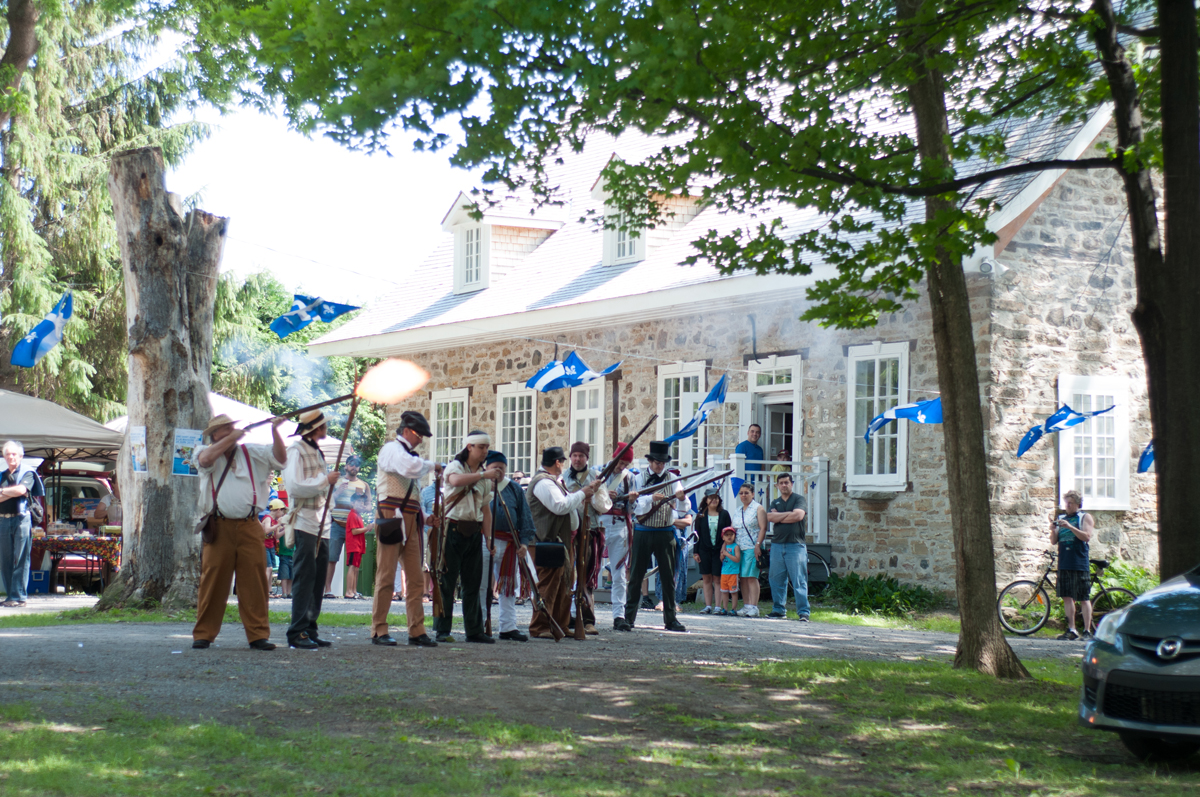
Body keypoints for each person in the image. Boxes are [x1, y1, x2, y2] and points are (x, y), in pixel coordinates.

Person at [192, 414, 288, 650]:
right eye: (225, 429)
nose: (231, 432)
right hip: (219, 526)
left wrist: (276, 432)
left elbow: (280, 459)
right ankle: (203, 634)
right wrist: (232, 437)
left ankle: (258, 635)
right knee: (213, 582)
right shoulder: (203, 451)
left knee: (254, 583)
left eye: (231, 428)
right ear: (214, 435)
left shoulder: (251, 451)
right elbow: (205, 460)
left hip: (250, 526)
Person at [373, 411, 441, 647]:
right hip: (391, 517)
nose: (422, 439)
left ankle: (416, 630)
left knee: (415, 578)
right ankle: (378, 629)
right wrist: (433, 465)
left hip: (412, 519)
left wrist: (425, 517)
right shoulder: (392, 450)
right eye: (420, 434)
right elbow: (409, 468)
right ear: (409, 432)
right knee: (386, 575)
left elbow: (411, 495)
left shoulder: (411, 456)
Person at [283, 409, 340, 650]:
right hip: (305, 521)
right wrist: (325, 481)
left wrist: (328, 487)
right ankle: (296, 631)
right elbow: (295, 487)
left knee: (317, 579)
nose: (326, 428)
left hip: (321, 523)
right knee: (305, 577)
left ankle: (309, 628)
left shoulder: (316, 450)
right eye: (324, 425)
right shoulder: (295, 451)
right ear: (316, 428)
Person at [437, 430, 501, 644]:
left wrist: (489, 539)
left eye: (486, 448)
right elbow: (455, 481)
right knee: (447, 581)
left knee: (472, 583)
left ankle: (474, 631)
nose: (485, 452)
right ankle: (442, 630)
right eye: (481, 447)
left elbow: (486, 510)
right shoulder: (456, 466)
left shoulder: (483, 476)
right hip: (452, 528)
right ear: (470, 447)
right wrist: (483, 475)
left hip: (474, 530)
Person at [527, 446, 597, 639]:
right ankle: (540, 626)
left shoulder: (553, 481)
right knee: (548, 586)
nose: (564, 465)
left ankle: (559, 625)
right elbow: (560, 506)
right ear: (558, 462)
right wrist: (583, 493)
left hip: (560, 541)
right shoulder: (544, 483)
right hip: (547, 540)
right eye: (563, 461)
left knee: (563, 586)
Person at [621, 440, 689, 633]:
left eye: (662, 462)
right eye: (656, 461)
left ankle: (670, 619)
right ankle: (628, 618)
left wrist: (682, 499)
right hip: (643, 531)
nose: (659, 465)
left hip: (665, 532)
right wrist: (651, 498)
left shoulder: (673, 479)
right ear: (650, 461)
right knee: (636, 577)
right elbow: (635, 506)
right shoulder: (639, 479)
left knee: (668, 578)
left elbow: (684, 508)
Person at [483, 450, 536, 641]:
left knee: (508, 587)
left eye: (502, 468)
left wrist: (523, 543)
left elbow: (525, 518)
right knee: (482, 585)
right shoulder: (481, 486)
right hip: (485, 541)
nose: (499, 471)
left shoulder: (514, 489)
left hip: (509, 544)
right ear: (487, 468)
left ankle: (508, 627)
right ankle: (480, 624)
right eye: (495, 467)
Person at [562, 441, 612, 636]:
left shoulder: (596, 478)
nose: (577, 459)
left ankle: (587, 619)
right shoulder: (563, 477)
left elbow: (605, 506)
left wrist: (595, 493)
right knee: (567, 574)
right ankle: (565, 618)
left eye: (581, 456)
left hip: (590, 530)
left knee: (587, 574)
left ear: (586, 458)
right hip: (569, 530)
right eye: (574, 455)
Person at [597, 443, 636, 630]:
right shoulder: (598, 473)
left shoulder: (630, 478)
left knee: (619, 573)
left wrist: (631, 501)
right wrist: (604, 494)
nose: (622, 467)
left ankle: (619, 616)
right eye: (620, 462)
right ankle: (579, 612)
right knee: (590, 568)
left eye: (625, 463)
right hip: (600, 523)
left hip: (620, 525)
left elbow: (631, 510)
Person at [324, 454, 372, 599]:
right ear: (346, 466)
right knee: (332, 557)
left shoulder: (364, 485)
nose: (354, 467)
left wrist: (364, 508)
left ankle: (352, 591)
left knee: (355, 559)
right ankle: (328, 590)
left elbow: (369, 505)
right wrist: (338, 492)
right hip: (337, 524)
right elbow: (326, 501)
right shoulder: (336, 481)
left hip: (355, 527)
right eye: (351, 464)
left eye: (357, 465)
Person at [765, 473, 809, 621]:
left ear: (791, 484)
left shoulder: (798, 499)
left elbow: (798, 516)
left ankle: (803, 611)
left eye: (786, 482)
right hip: (777, 545)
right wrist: (788, 515)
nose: (784, 485)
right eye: (781, 483)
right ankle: (778, 610)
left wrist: (780, 516)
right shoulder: (775, 502)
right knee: (776, 579)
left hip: (795, 545)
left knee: (799, 580)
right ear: (777, 485)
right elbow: (769, 517)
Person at [1052, 489, 1095, 640]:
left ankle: (1087, 631)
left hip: (1079, 561)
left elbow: (1086, 537)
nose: (1068, 506)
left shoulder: (1085, 517)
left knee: (1083, 596)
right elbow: (1053, 541)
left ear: (1078, 504)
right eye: (1066, 503)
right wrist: (1053, 530)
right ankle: (1072, 630)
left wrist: (1070, 527)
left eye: (1071, 503)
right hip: (1064, 561)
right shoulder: (1061, 518)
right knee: (1067, 596)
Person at [0, 440, 36, 608]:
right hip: (3, 519)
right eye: (7, 454)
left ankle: (19, 596)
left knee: (21, 558)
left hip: (22, 518)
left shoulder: (28, 473)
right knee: (5, 559)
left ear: (21, 456)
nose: (11, 457)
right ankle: (10, 596)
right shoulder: (2, 475)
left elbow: (22, 490)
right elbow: (16, 491)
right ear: (4, 457)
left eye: (14, 454)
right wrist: (12, 492)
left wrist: (2, 492)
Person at [693, 487, 732, 614]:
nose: (713, 500)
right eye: (711, 498)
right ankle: (708, 605)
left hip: (719, 550)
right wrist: (695, 551)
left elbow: (729, 534)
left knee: (717, 578)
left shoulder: (724, 514)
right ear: (706, 500)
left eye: (716, 498)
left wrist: (724, 549)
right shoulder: (700, 515)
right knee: (706, 578)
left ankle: (717, 606)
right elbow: (696, 534)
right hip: (704, 549)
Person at [732, 482, 766, 616]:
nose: (743, 495)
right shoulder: (738, 510)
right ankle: (746, 605)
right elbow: (733, 528)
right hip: (739, 548)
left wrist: (758, 544)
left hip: (752, 547)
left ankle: (754, 606)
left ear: (752, 494)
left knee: (752, 576)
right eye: (741, 493)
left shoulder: (758, 508)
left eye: (746, 493)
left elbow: (763, 528)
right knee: (743, 577)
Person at [343, 493, 368, 599]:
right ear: (352, 503)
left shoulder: (358, 515)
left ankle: (354, 591)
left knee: (356, 568)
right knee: (352, 567)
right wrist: (368, 528)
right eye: (359, 502)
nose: (361, 504)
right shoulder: (353, 515)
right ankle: (349, 591)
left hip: (359, 545)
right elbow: (354, 531)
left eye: (362, 502)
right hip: (353, 545)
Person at [272, 499, 295, 599]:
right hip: (284, 553)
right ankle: (284, 592)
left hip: (293, 553)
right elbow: (277, 535)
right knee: (284, 574)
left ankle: (289, 592)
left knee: (291, 575)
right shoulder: (281, 524)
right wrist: (285, 529)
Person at [718, 527, 742, 615]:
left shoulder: (735, 547)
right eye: (726, 535)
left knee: (733, 592)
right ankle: (724, 608)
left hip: (733, 573)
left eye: (731, 535)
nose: (729, 537)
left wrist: (727, 554)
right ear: (723, 537)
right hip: (724, 572)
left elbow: (737, 559)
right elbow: (721, 559)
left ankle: (733, 609)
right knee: (724, 591)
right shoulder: (724, 547)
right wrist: (722, 555)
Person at [261, 498, 283, 593]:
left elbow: (277, 535)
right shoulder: (268, 518)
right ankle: (264, 590)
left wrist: (286, 528)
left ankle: (269, 590)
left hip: (271, 546)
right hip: (264, 545)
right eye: (282, 510)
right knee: (268, 568)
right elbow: (267, 530)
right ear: (278, 509)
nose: (282, 513)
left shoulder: (275, 521)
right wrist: (278, 525)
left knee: (271, 568)